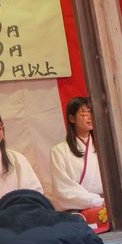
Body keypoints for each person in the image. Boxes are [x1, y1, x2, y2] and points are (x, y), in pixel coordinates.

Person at [50, 97, 109, 230]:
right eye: (84, 113)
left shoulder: (104, 146)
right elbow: (63, 189)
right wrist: (96, 201)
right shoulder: (59, 151)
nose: (89, 117)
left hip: (105, 204)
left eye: (91, 112)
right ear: (72, 118)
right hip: (77, 210)